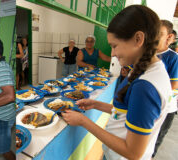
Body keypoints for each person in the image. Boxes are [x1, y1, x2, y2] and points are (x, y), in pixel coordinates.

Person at [62, 5, 172, 160]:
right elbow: (128, 111)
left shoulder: (145, 86)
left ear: (138, 39)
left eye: (114, 46)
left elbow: (133, 152)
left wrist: (83, 121)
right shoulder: (146, 70)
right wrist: (96, 104)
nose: (113, 53)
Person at [152, 20, 178, 158]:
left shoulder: (173, 58)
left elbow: (174, 85)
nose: (155, 37)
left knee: (156, 139)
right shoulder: (149, 54)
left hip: (166, 108)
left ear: (169, 37)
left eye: (159, 34)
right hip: (151, 105)